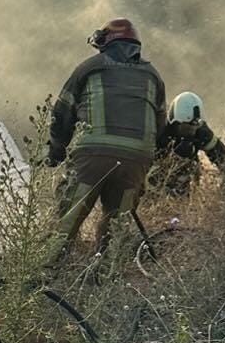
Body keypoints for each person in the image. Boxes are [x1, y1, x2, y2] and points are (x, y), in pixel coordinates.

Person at [47, 18, 166, 259]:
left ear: (106, 43)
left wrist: (56, 151)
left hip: (93, 158)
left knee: (66, 222)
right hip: (136, 161)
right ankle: (104, 277)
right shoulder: (153, 76)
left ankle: (41, 278)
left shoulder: (89, 67)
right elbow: (160, 127)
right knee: (115, 227)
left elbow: (61, 114)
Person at [152, 91, 225, 196]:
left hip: (189, 187)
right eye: (187, 126)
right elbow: (147, 172)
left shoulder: (201, 131)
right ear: (175, 122)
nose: (192, 130)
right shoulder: (159, 132)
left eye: (195, 125)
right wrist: (175, 158)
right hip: (157, 186)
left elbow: (223, 157)